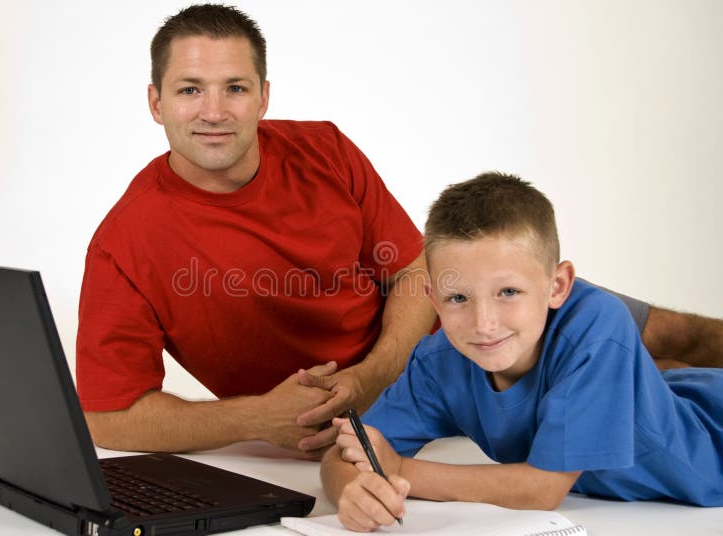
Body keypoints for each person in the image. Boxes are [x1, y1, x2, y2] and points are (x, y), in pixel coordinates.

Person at [76, 4, 721, 459]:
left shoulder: (323, 150)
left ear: (264, 96)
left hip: (470, 304)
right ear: (156, 101)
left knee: (674, 333)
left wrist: (376, 371)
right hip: (436, 387)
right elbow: (109, 416)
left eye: (234, 88)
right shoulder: (124, 242)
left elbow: (414, 268)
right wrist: (256, 418)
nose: (214, 112)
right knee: (655, 381)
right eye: (190, 90)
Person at [320, 173, 723, 532]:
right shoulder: (437, 361)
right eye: (458, 297)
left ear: (558, 285)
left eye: (508, 292)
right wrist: (355, 491)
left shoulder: (598, 325)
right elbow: (349, 451)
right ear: (433, 300)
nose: (484, 323)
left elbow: (542, 488)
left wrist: (400, 470)